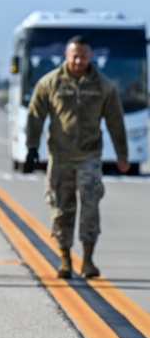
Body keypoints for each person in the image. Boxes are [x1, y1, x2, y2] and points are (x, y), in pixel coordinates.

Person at [25, 35, 128, 279]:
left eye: (83, 56)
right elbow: (35, 116)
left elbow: (115, 121)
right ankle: (65, 259)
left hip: (89, 156)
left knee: (90, 206)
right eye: (75, 56)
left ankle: (88, 260)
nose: (79, 61)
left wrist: (122, 154)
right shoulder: (49, 83)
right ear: (66, 56)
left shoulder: (103, 86)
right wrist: (31, 147)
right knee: (61, 209)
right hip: (60, 157)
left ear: (90, 57)